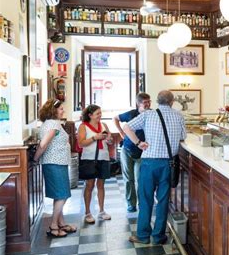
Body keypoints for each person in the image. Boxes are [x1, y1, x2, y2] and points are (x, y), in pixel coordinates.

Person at [123, 90, 186, 245]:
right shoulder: (179, 116)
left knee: (145, 199)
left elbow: (126, 127)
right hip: (168, 163)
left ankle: (143, 236)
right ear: (172, 102)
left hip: (149, 163)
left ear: (157, 101)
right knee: (163, 200)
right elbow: (183, 137)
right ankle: (159, 236)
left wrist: (138, 143)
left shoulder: (148, 115)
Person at [34, 99, 76, 238]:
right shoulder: (53, 124)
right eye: (60, 109)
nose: (62, 110)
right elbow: (44, 144)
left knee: (59, 195)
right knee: (63, 194)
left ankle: (61, 223)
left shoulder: (49, 123)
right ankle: (53, 225)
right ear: (53, 110)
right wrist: (35, 159)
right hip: (55, 163)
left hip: (56, 163)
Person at [113, 92, 151, 212]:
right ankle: (131, 203)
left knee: (140, 179)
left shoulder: (152, 114)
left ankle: (141, 203)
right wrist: (121, 133)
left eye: (149, 101)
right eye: (145, 102)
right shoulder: (131, 114)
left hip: (142, 152)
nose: (148, 104)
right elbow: (116, 118)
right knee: (128, 179)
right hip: (127, 150)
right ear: (138, 104)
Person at [78, 104, 113, 223]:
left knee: (101, 185)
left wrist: (109, 140)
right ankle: (88, 212)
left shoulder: (104, 125)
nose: (100, 115)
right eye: (97, 113)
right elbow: (81, 143)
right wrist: (95, 138)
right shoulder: (83, 127)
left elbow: (110, 139)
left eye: (100, 113)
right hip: (89, 158)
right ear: (90, 115)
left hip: (103, 157)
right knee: (89, 185)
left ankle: (101, 211)